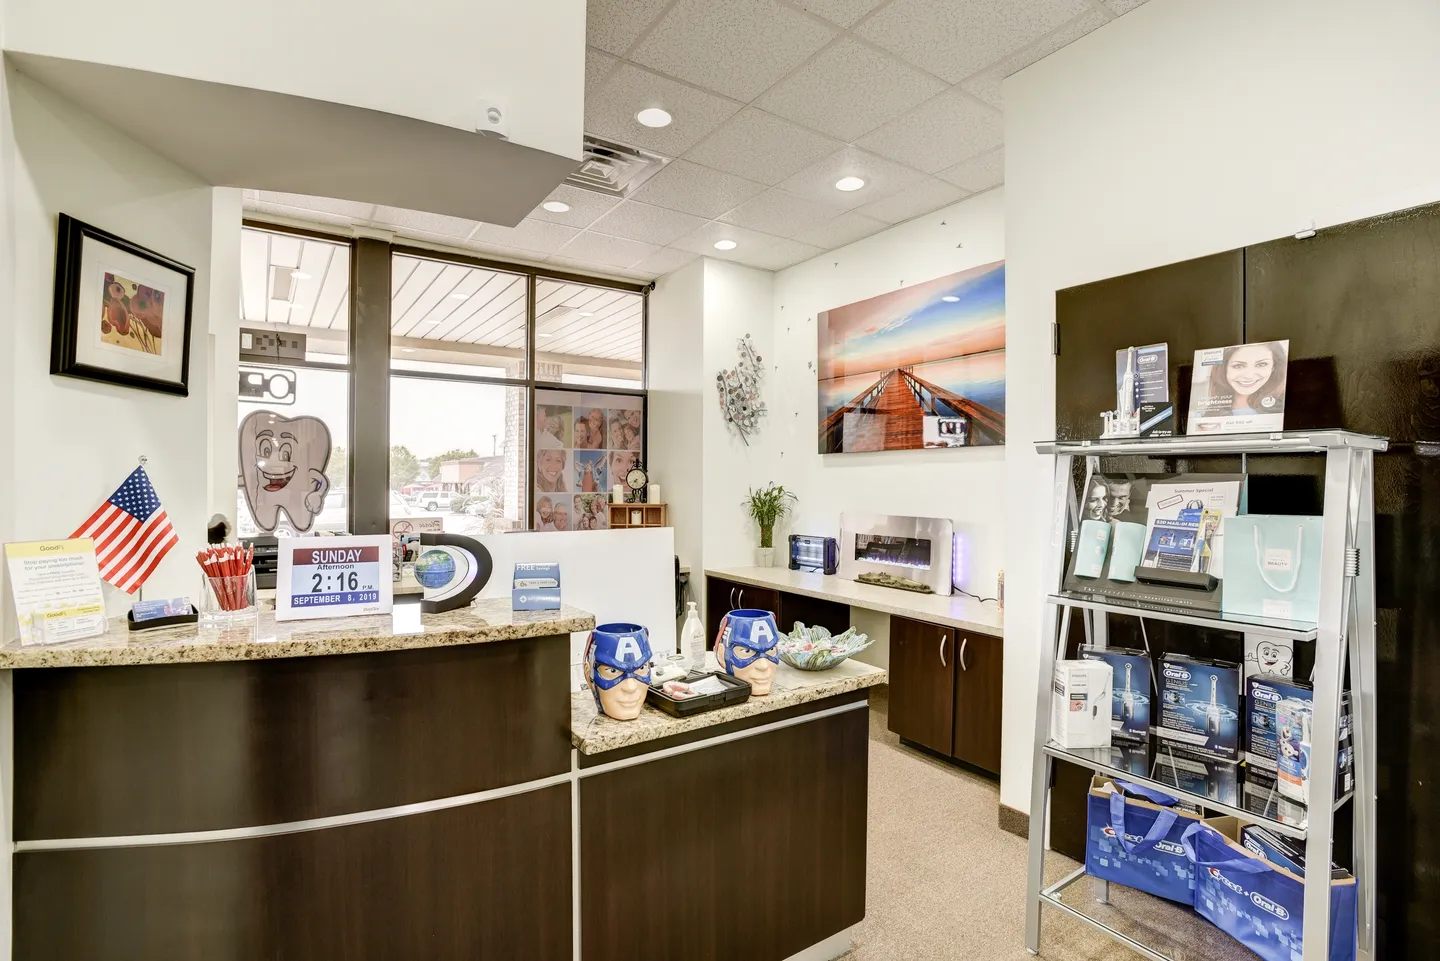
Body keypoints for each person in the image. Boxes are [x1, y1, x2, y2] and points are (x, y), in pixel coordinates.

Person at [1208, 342, 1287, 415]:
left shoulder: (1287, 408)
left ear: (1274, 367)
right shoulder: (1204, 415)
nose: (1249, 375)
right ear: (1224, 369)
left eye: (1261, 364)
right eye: (1238, 366)